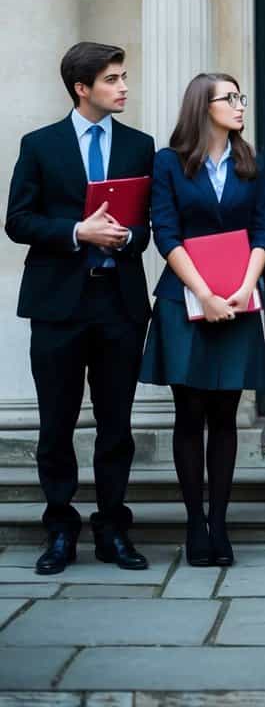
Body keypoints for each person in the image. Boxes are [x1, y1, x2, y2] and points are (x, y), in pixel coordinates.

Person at [5, 42, 155, 575]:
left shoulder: (141, 146)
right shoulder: (40, 145)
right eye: (113, 79)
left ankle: (114, 529)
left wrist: (125, 237)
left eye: (124, 77)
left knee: (117, 425)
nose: (123, 87)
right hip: (57, 305)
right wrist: (76, 231)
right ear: (82, 88)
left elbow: (146, 227)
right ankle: (60, 530)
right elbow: (18, 221)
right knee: (56, 425)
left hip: (118, 304)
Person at [140, 73, 265, 568]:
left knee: (226, 415)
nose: (240, 105)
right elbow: (166, 233)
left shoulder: (249, 164)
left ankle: (220, 521)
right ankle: (195, 524)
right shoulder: (169, 163)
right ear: (203, 106)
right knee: (190, 413)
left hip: (239, 300)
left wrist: (243, 289)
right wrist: (203, 293)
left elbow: (263, 230)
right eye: (230, 98)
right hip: (185, 302)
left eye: (241, 96)